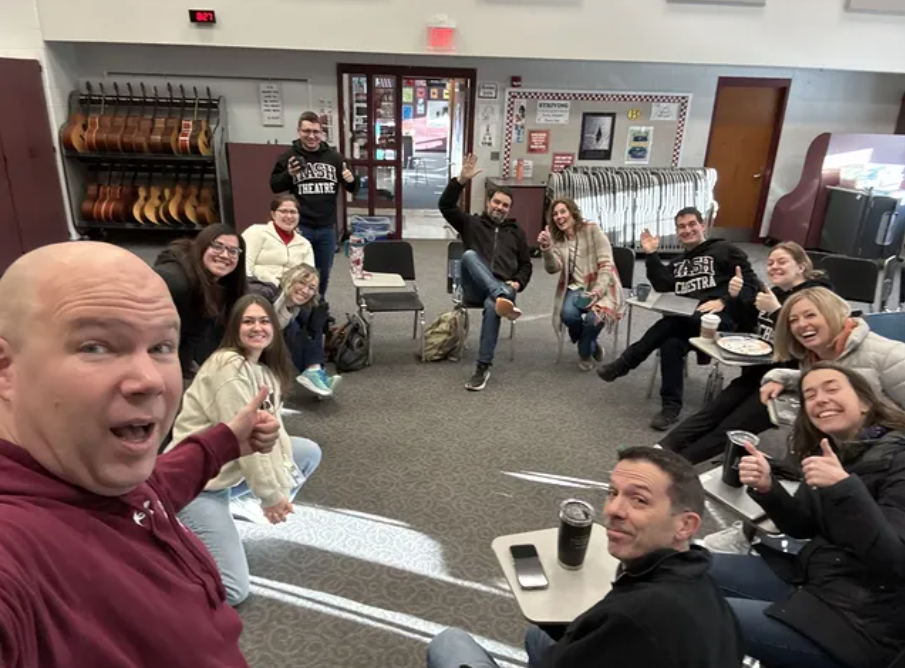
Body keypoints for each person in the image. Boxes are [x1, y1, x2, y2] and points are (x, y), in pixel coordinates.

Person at [0, 242, 280, 668]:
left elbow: (156, 485)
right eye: (96, 346)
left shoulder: (85, 472)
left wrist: (227, 440)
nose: (149, 380)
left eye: (162, 347)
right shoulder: (15, 548)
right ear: (5, 367)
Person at [426, 447, 745, 668]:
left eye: (639, 500)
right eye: (613, 492)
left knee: (449, 642)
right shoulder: (704, 584)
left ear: (685, 525)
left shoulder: (632, 617)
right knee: (538, 633)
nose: (613, 510)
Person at [710, 363, 905, 668]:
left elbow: (894, 559)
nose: (820, 399)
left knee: (695, 615)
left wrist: (845, 487)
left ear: (866, 402)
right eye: (810, 395)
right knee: (685, 568)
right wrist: (768, 488)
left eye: (832, 388)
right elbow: (802, 526)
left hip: (858, 620)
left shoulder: (899, 458)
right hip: (814, 577)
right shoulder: (831, 450)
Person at [168, 294, 322, 606]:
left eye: (264, 321)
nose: (257, 327)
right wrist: (271, 496)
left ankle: (236, 511)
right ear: (235, 328)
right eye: (248, 321)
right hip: (196, 486)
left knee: (305, 452)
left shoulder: (264, 372)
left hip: (225, 477)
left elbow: (274, 436)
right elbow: (245, 440)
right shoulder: (228, 367)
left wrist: (279, 487)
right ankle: (163, 561)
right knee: (234, 590)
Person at [661, 242, 831, 464]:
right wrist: (734, 298)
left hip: (791, 382)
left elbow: (810, 343)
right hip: (758, 371)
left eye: (782, 262)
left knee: (731, 426)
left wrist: (776, 312)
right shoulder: (775, 293)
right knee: (714, 410)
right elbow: (749, 327)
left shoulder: (817, 297)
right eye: (770, 263)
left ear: (800, 267)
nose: (773, 267)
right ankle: (661, 448)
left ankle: (674, 465)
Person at [597, 207, 759, 430]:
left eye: (692, 224)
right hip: (688, 321)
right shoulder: (679, 262)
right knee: (670, 345)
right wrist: (652, 254)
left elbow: (752, 285)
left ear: (703, 226)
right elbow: (662, 284)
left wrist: (724, 301)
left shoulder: (724, 249)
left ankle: (626, 362)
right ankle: (670, 408)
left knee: (671, 323)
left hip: (720, 321)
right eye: (681, 227)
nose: (687, 230)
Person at [438, 153, 533, 391]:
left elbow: (526, 265)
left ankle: (482, 368)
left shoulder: (516, 233)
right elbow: (445, 206)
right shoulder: (472, 223)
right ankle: (499, 294)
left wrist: (517, 284)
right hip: (475, 286)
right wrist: (460, 180)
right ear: (488, 202)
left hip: (506, 286)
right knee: (469, 256)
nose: (500, 208)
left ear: (509, 208)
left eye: (505, 205)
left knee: (494, 306)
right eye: (496, 202)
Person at [760, 287, 905, 408]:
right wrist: (782, 378)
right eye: (793, 320)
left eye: (810, 315)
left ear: (833, 315)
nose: (802, 324)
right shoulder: (812, 357)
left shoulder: (892, 358)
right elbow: (830, 382)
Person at [269, 111, 359, 297]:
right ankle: (298, 313)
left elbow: (353, 188)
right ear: (298, 131)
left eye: (316, 131)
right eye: (307, 131)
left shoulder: (335, 158)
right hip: (300, 226)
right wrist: (289, 175)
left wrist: (351, 179)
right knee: (299, 273)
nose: (311, 136)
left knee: (322, 274)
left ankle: (318, 310)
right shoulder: (289, 157)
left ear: (322, 133)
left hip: (327, 226)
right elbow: (274, 186)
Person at [537, 198, 624, 371]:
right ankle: (592, 343)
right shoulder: (558, 240)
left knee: (593, 319)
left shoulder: (592, 230)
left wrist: (598, 291)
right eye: (555, 214)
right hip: (576, 287)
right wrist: (546, 249)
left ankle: (584, 352)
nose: (559, 217)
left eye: (563, 211)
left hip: (603, 286)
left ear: (572, 212)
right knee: (568, 315)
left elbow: (606, 265)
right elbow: (553, 268)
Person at [154, 223, 247, 384]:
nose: (225, 255)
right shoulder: (175, 281)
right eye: (217, 246)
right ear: (202, 246)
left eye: (233, 251)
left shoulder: (220, 285)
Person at [258, 263, 339, 398]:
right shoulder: (269, 296)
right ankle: (312, 372)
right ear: (290, 280)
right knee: (293, 329)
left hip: (267, 337)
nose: (305, 290)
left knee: (314, 320)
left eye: (311, 288)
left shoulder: (294, 307)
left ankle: (314, 371)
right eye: (302, 283)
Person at [242, 194, 315, 287]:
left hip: (291, 292)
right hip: (259, 288)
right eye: (283, 211)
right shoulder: (256, 232)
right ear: (273, 214)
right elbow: (244, 266)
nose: (289, 216)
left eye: (293, 212)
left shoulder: (304, 244)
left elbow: (309, 276)